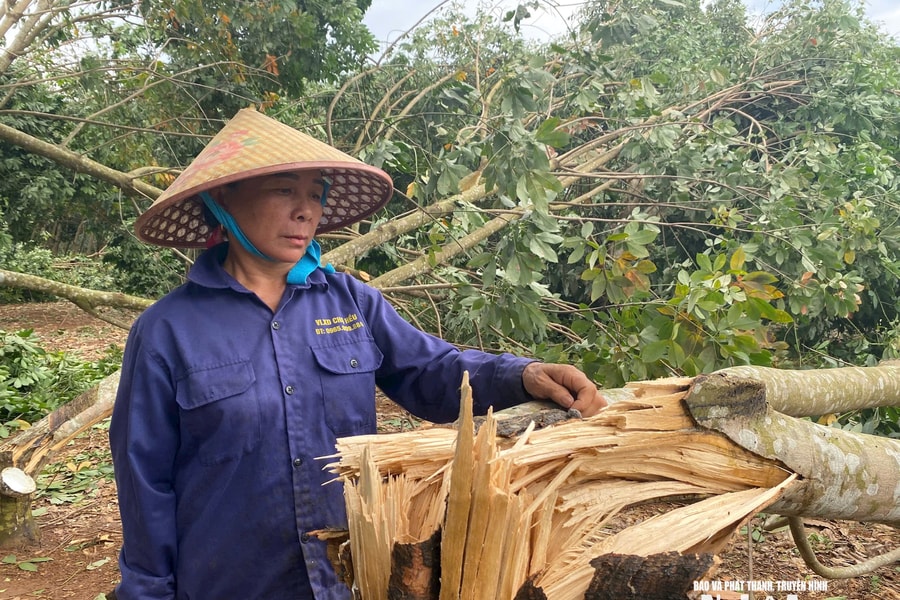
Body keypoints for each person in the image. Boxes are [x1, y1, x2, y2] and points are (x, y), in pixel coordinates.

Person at [109, 107, 607, 600]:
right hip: (232, 583)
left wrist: (525, 375)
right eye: (284, 190)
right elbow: (144, 482)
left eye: (315, 194)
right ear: (223, 198)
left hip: (347, 578)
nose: (306, 211)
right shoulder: (165, 332)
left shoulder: (352, 302)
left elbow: (432, 371)